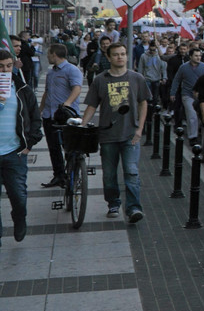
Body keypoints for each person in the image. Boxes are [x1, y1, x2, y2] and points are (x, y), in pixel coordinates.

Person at [80, 43, 150, 224]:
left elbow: (143, 103)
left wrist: (140, 129)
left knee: (132, 172)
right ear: (109, 58)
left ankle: (134, 208)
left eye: (123, 54)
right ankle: (113, 203)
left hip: (130, 134)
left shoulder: (137, 78)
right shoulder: (100, 80)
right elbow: (92, 105)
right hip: (108, 135)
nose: (120, 57)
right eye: (116, 55)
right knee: (109, 174)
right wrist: (81, 125)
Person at [0, 50, 40, 244]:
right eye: (1, 66)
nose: (5, 70)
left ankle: (19, 218)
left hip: (14, 153)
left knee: (18, 194)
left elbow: (35, 117)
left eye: (8, 66)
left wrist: (29, 143)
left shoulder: (22, 89)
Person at [39, 43, 82, 189]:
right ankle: (58, 175)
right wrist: (40, 110)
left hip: (65, 116)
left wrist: (67, 104)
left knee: (68, 147)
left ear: (54, 54)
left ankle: (71, 174)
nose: (47, 56)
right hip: (49, 116)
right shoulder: (51, 72)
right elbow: (47, 92)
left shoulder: (72, 70)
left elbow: (77, 88)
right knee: (53, 147)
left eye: (48, 54)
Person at [169, 46, 204, 143]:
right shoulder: (183, 67)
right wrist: (173, 93)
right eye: (196, 56)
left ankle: (199, 133)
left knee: (199, 116)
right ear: (190, 56)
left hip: (201, 96)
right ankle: (192, 137)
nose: (198, 58)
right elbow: (176, 80)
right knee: (192, 115)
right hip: (187, 95)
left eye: (200, 56)